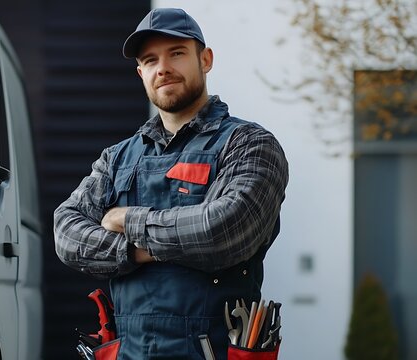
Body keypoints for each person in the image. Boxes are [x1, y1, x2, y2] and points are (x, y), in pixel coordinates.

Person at [54, 8, 289, 360]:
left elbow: (224, 230)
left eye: (176, 53)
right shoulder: (116, 158)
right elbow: (66, 233)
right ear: (141, 73)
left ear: (205, 60)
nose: (162, 68)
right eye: (150, 60)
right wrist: (134, 251)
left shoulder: (249, 144)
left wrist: (126, 220)